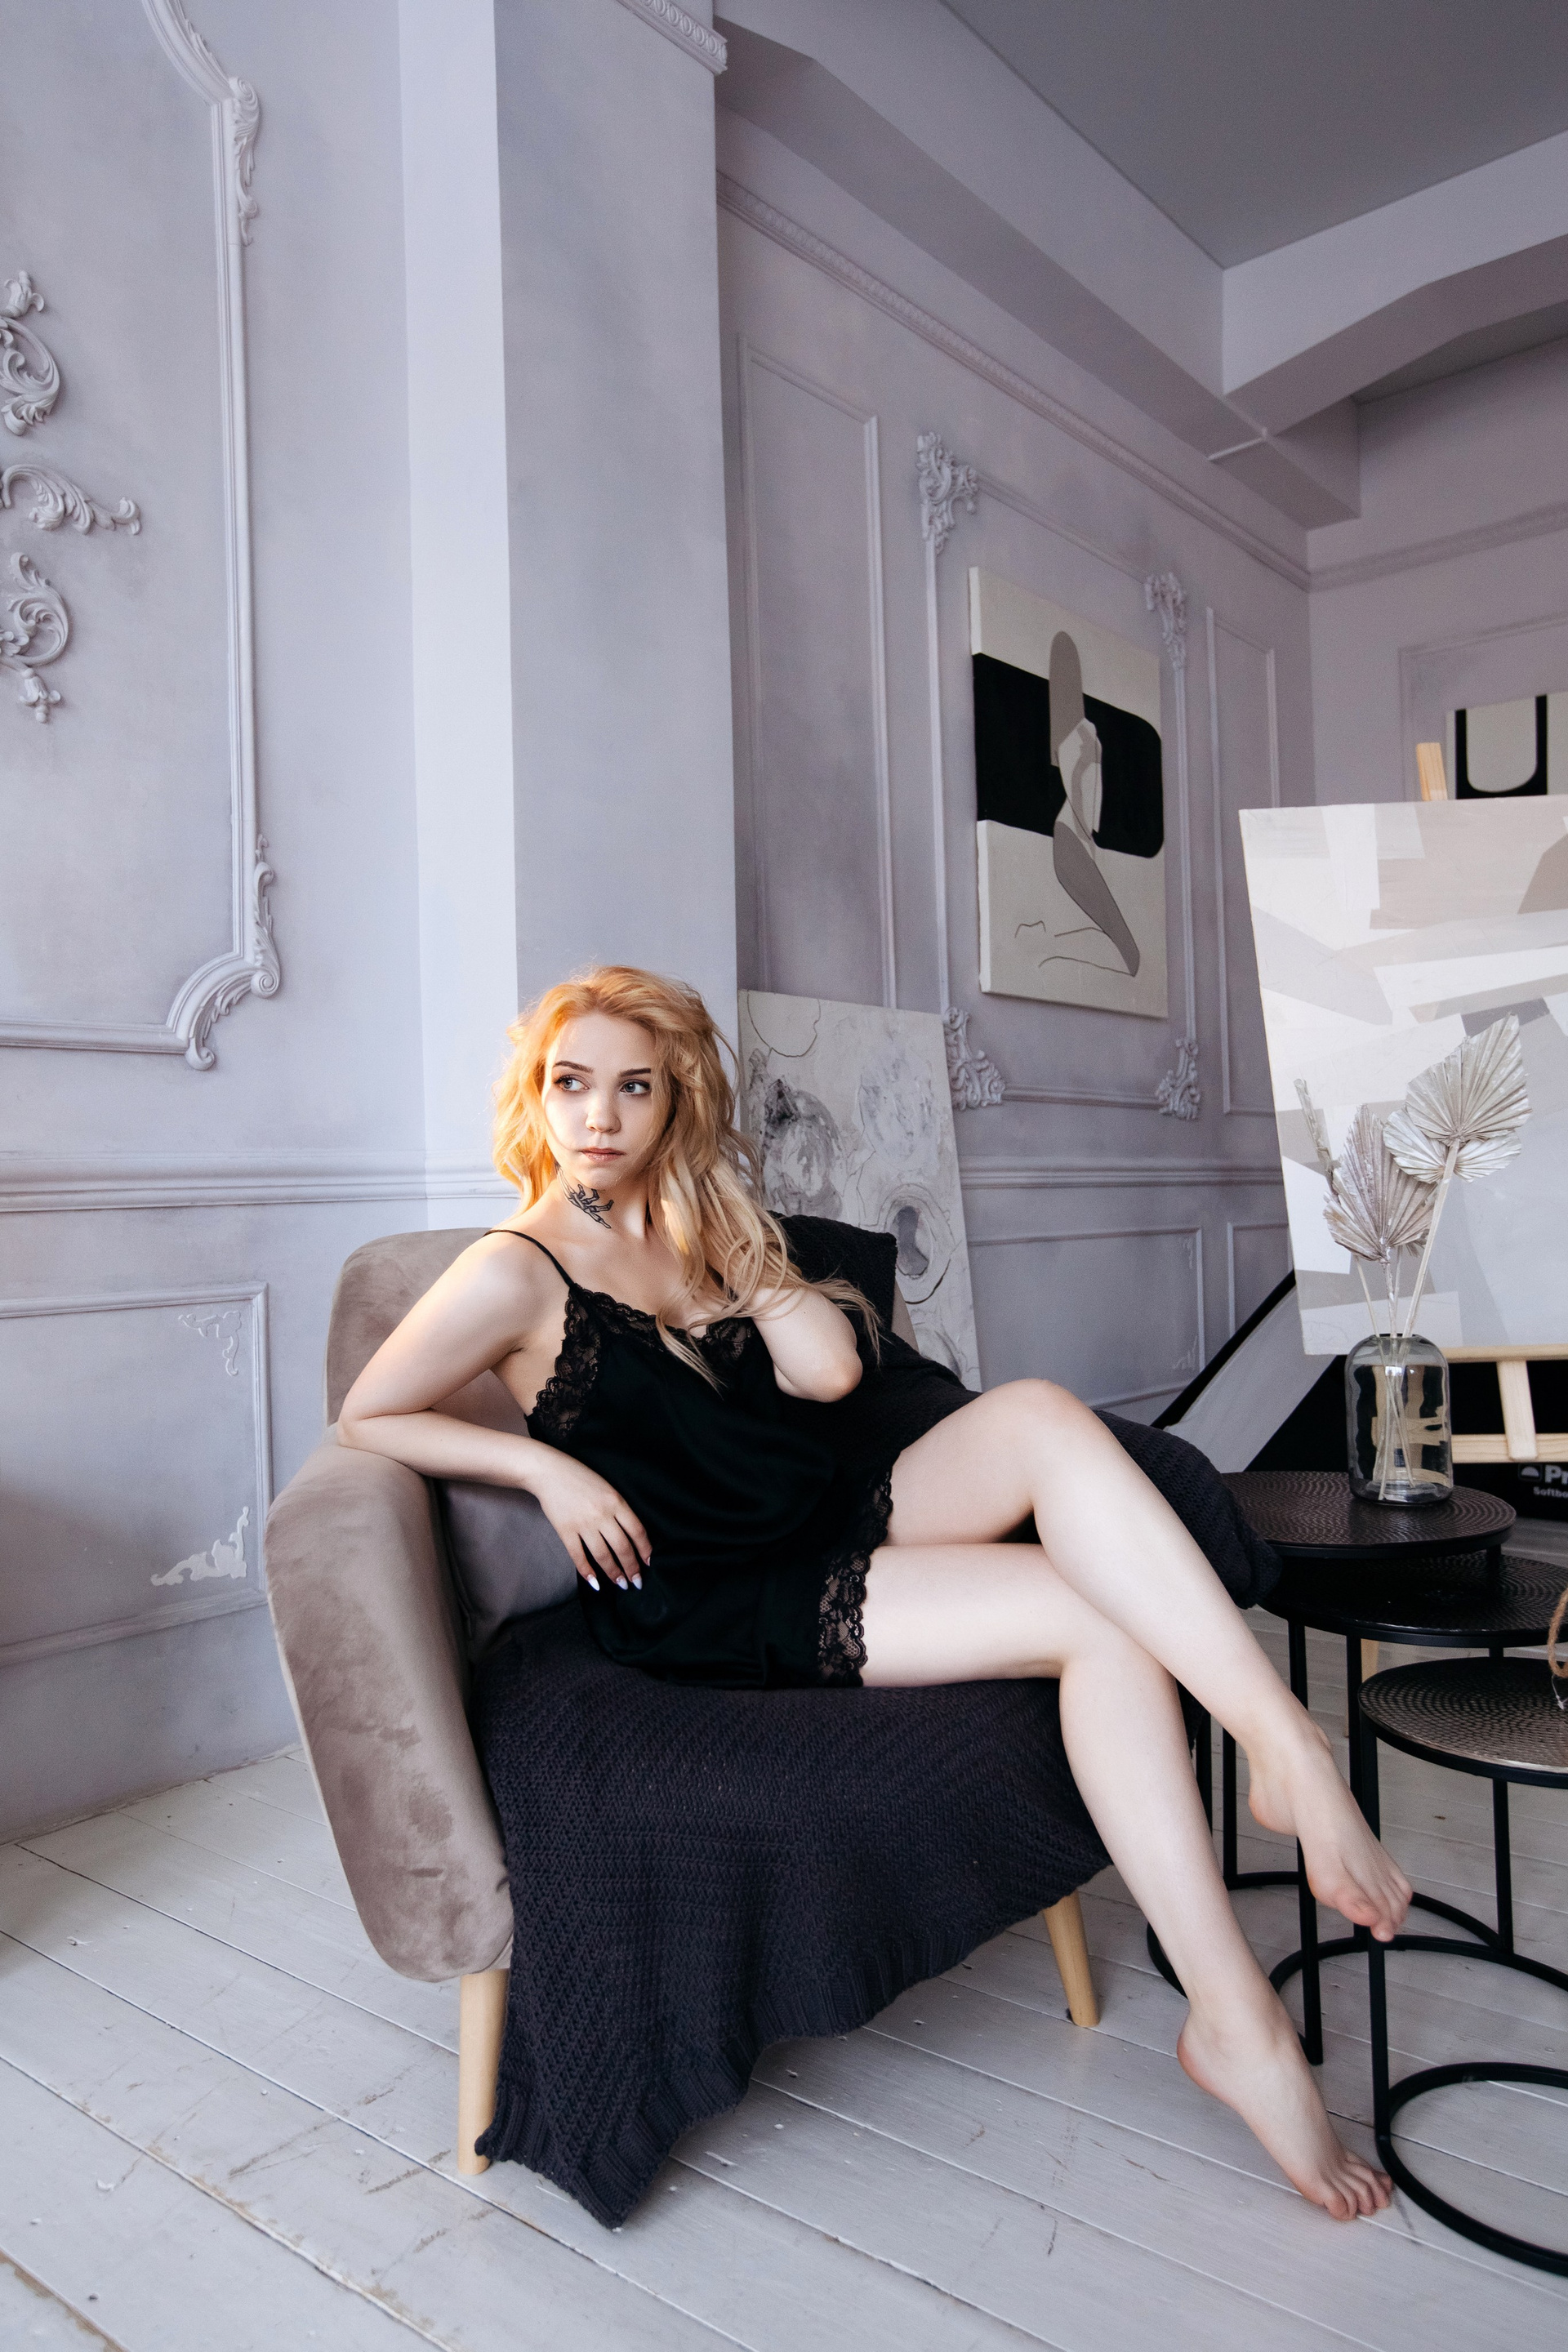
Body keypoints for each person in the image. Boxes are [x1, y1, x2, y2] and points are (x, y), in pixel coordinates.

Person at [340, 964, 1411, 2223]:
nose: (601, 1117)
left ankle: (1283, 1748)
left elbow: (832, 1378)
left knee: (1041, 1415)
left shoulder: (691, 1229)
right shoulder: (513, 1269)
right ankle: (1240, 2019)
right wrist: (543, 1468)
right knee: (1099, 1625)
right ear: (537, 1095)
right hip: (710, 1593)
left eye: (636, 1088)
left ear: (675, 1102)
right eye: (572, 1084)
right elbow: (370, 1415)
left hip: (818, 1510)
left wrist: (726, 1226)